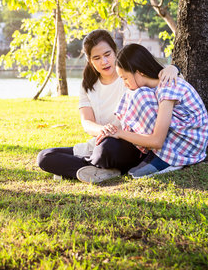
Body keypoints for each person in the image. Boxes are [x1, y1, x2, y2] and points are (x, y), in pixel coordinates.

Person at [36, 29, 180, 183]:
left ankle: (77, 169)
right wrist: (104, 130)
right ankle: (100, 171)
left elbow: (163, 78)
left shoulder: (130, 73)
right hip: (101, 141)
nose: (104, 62)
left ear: (115, 52)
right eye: (97, 58)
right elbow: (87, 122)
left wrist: (173, 68)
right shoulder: (87, 85)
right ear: (90, 61)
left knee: (105, 151)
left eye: (107, 54)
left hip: (131, 144)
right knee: (44, 157)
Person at [97, 43, 208, 178]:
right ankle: (155, 154)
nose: (124, 83)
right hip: (179, 134)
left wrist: (119, 133)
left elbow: (157, 141)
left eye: (125, 78)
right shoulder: (157, 85)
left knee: (139, 96)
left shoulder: (166, 87)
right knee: (132, 94)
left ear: (139, 72)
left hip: (190, 144)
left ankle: (169, 160)